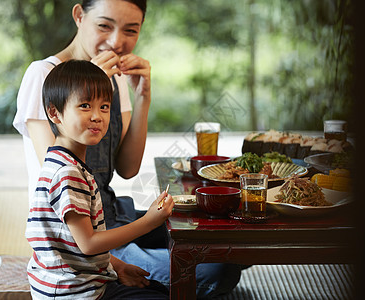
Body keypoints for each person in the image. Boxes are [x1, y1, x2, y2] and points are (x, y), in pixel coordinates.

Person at [13, 0, 242, 297]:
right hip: (80, 232)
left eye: (130, 30)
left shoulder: (115, 78)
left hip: (113, 212)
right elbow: (58, 166)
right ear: (79, 16)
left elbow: (127, 167)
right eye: (104, 26)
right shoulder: (42, 75)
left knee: (224, 237)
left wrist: (142, 96)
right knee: (216, 269)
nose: (117, 42)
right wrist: (88, 83)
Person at [26, 59, 173, 299]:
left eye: (104, 107)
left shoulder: (65, 161)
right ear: (54, 113)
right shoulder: (67, 173)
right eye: (85, 106)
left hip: (84, 282)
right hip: (75, 293)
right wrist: (149, 220)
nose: (97, 116)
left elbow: (74, 245)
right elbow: (89, 243)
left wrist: (119, 266)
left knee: (157, 291)